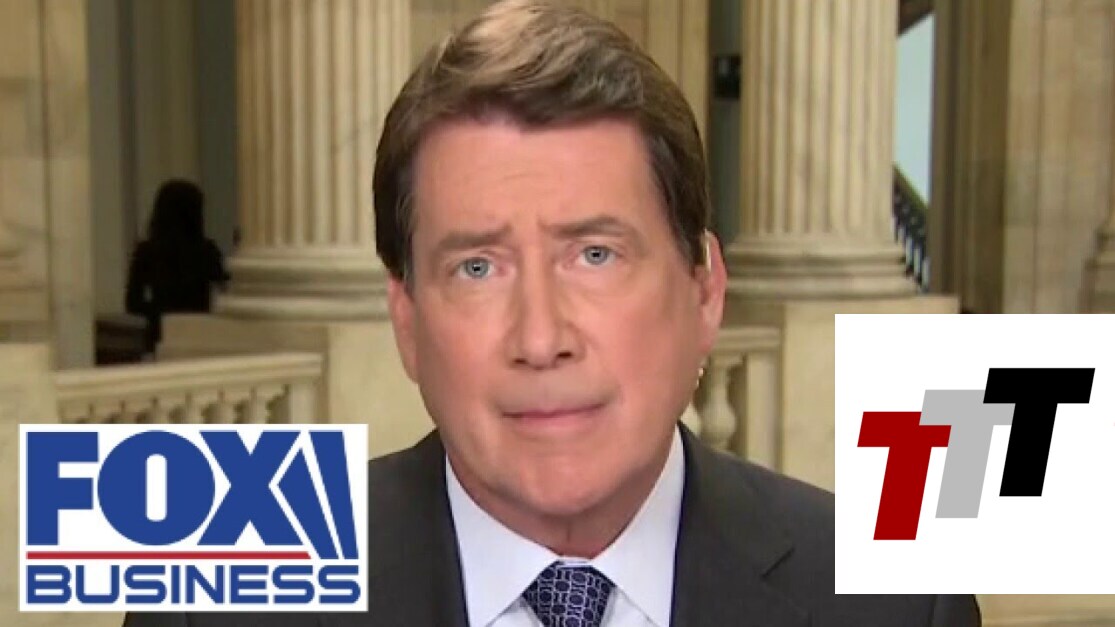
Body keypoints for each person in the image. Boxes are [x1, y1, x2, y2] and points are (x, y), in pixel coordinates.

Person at [124, 1, 980, 625]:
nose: (540, 337)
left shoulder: (898, 603)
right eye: (476, 267)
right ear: (408, 322)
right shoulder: (210, 603)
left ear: (703, 289)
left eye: (594, 254)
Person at [124, 179, 229, 354]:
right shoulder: (207, 251)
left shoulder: (147, 251)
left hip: (161, 334)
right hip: (198, 332)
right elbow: (225, 288)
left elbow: (132, 302)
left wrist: (159, 312)